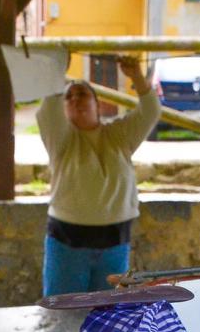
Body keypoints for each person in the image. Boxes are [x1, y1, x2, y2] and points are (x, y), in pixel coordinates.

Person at [37, 56, 160, 296]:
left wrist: (136, 76)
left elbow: (150, 111)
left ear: (98, 104)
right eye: (68, 96)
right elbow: (47, 111)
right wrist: (56, 69)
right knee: (64, 311)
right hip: (67, 242)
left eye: (82, 94)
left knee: (107, 312)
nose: (74, 99)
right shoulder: (61, 140)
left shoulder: (119, 135)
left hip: (115, 241)